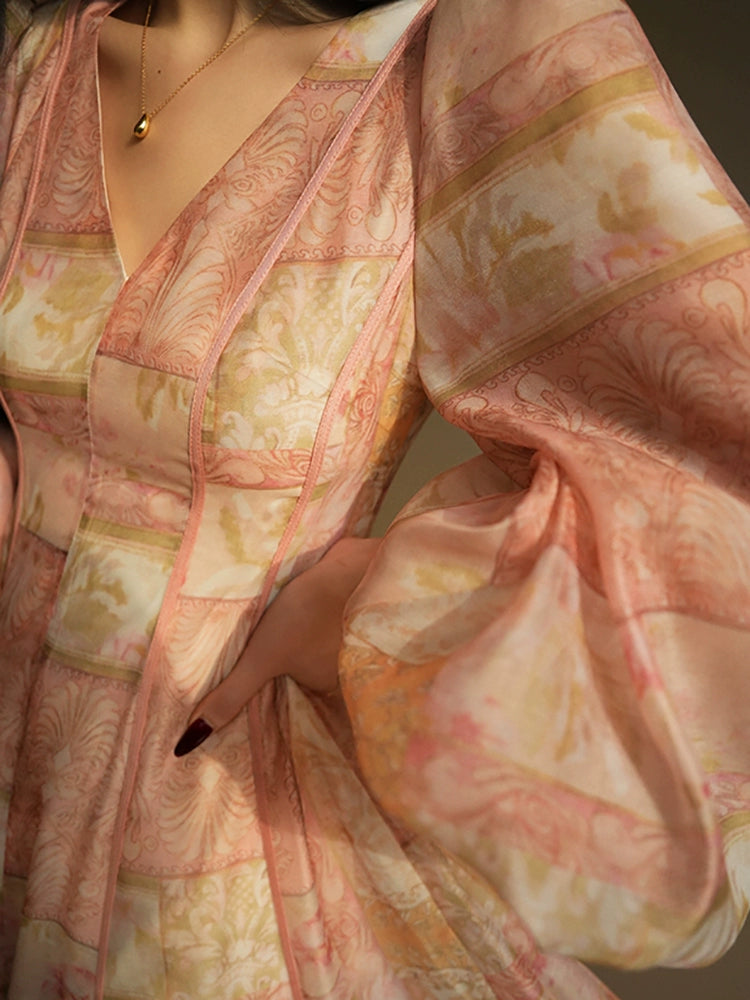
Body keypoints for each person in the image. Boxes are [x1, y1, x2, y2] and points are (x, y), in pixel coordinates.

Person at [0, 0, 748, 997]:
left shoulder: (447, 64)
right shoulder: (39, 61)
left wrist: (384, 601)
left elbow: (711, 441)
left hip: (220, 837)